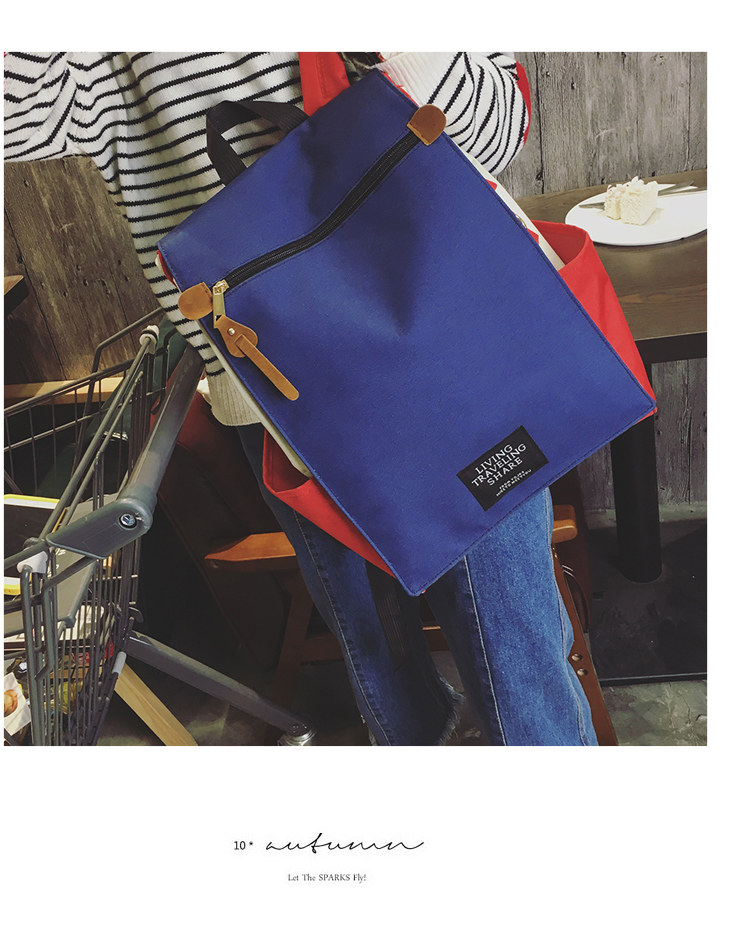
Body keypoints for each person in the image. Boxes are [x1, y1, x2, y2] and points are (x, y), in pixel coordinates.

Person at [4, 51, 597, 745]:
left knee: (516, 658)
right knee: (386, 661)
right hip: (290, 405)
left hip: (452, 366)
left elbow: (496, 134)